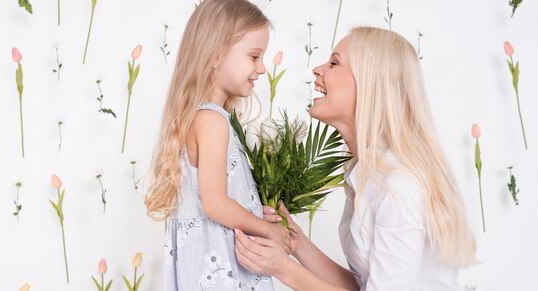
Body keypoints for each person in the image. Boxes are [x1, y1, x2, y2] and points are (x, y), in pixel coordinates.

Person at [234, 27, 477, 291]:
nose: (317, 69)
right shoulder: (368, 173)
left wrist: (283, 269)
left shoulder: (399, 184)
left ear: (369, 83)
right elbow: (364, 285)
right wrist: (298, 245)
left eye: (334, 63)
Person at [145, 0, 290, 290]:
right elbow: (215, 203)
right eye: (254, 56)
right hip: (220, 265)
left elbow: (214, 197)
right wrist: (269, 232)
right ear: (216, 54)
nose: (261, 68)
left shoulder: (205, 116)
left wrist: (251, 211)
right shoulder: (212, 121)